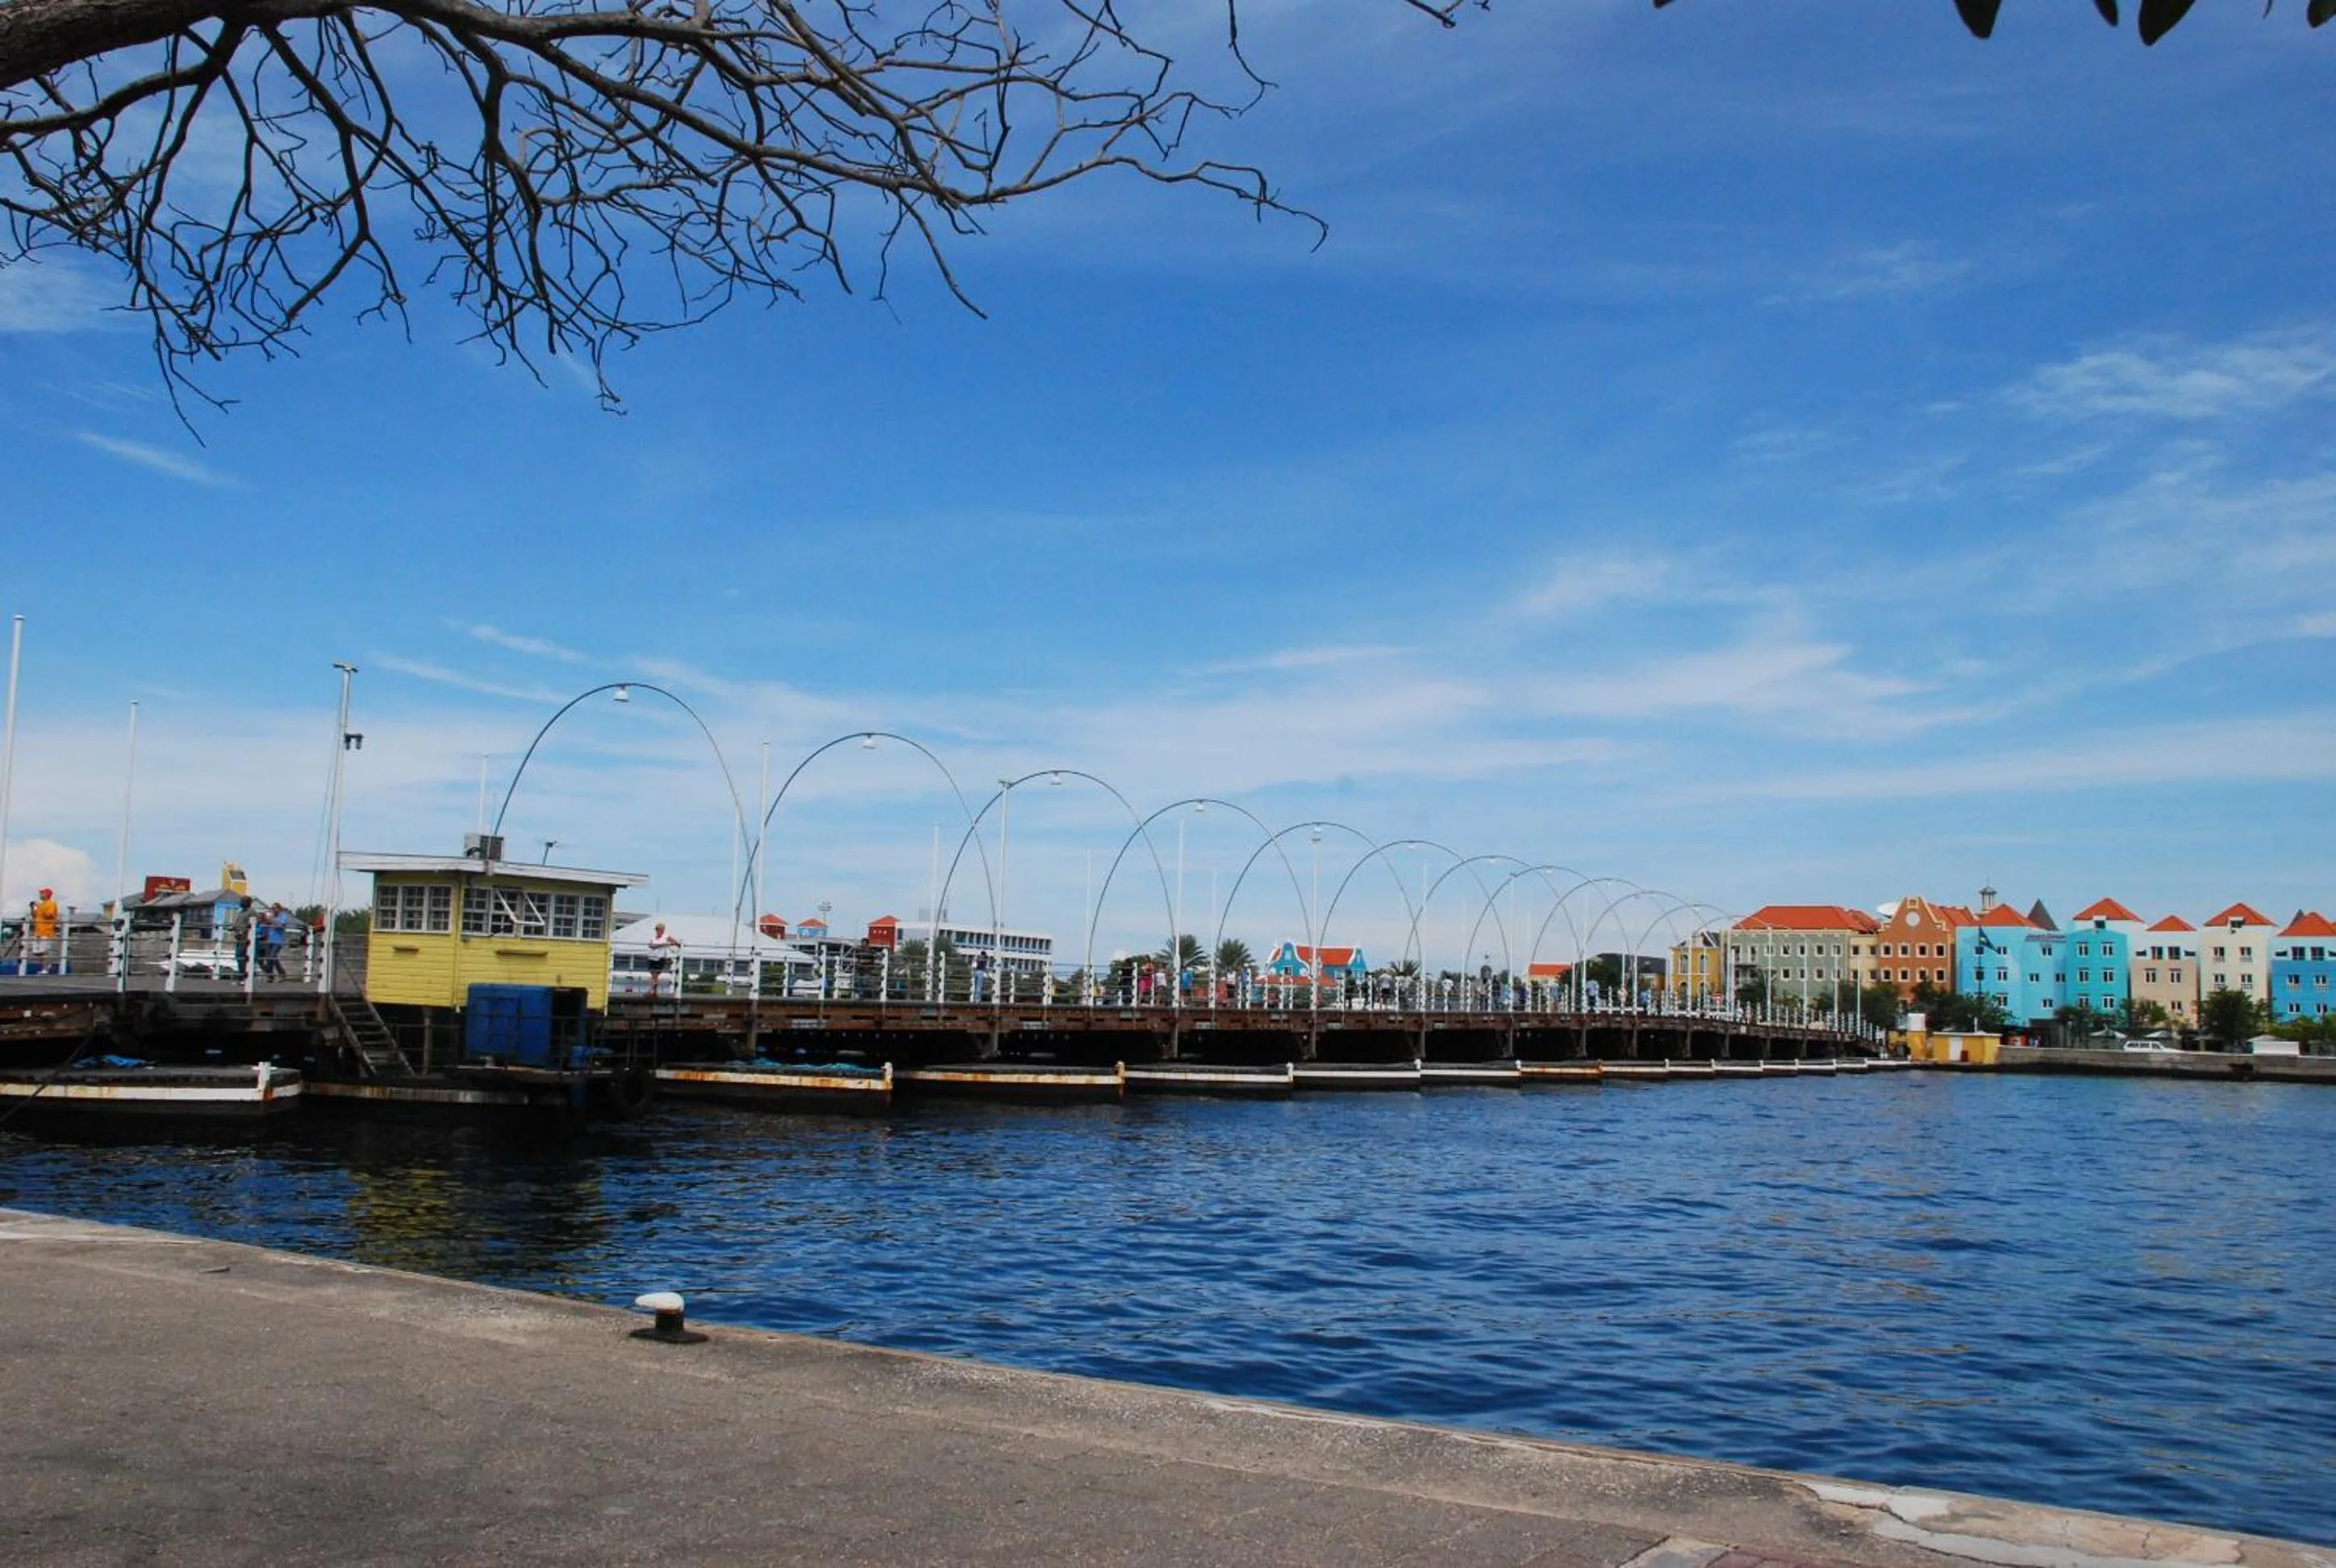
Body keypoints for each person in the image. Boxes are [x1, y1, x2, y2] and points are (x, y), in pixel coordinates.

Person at [28, 888, 60, 974]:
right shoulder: (42, 904)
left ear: (47, 894)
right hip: (38, 931)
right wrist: (32, 908)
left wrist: (39, 906)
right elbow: (34, 916)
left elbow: (48, 916)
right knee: (36, 952)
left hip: (46, 931)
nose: (40, 895)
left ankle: (45, 969)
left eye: (42, 893)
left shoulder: (51, 904)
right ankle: (48, 964)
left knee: (44, 951)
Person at [646, 921, 682, 997]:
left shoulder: (666, 937)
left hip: (660, 958)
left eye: (659, 929)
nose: (658, 931)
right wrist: (663, 944)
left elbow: (676, 942)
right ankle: (655, 993)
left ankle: (650, 991)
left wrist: (674, 946)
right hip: (652, 958)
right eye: (657, 929)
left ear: (663, 930)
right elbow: (651, 946)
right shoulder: (652, 938)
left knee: (656, 976)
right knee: (654, 977)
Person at [227, 896, 256, 980]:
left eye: (242, 901)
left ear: (247, 903)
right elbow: (238, 923)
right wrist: (233, 928)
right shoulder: (241, 912)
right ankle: (242, 975)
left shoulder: (252, 912)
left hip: (246, 938)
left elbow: (257, 921)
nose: (240, 903)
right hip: (239, 937)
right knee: (238, 956)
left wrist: (246, 930)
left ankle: (244, 976)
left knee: (240, 956)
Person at [259, 903, 290, 981]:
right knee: (269, 959)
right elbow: (265, 924)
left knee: (273, 956)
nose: (273, 910)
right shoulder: (272, 917)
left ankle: (282, 972)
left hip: (278, 940)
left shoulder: (283, 916)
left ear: (279, 909)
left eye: (275, 908)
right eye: (272, 908)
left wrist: (272, 920)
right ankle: (270, 976)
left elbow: (281, 926)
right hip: (270, 940)